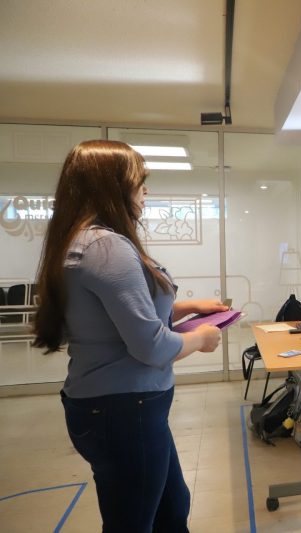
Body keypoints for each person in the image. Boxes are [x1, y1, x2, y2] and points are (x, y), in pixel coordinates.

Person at [33, 140, 224, 532]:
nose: (145, 191)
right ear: (112, 187)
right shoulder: (107, 248)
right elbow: (151, 346)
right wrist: (201, 338)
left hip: (118, 409)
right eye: (139, 181)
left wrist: (187, 308)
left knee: (172, 508)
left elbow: (115, 319)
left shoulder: (82, 241)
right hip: (123, 412)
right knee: (135, 522)